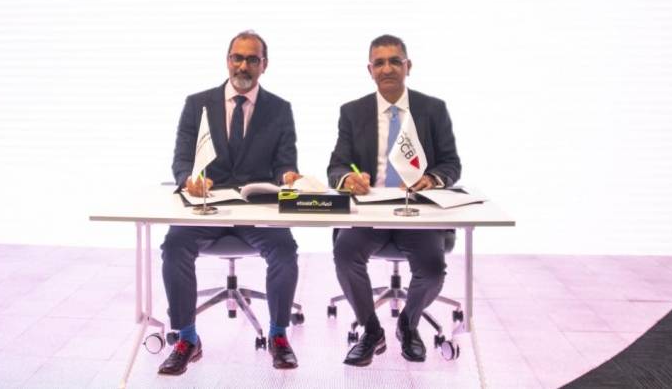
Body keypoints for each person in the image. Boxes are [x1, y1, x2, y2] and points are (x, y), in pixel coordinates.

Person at [158, 30, 301, 375]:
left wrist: (288, 176)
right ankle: (187, 338)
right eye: (237, 57)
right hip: (207, 204)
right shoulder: (197, 103)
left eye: (252, 59)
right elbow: (181, 158)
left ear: (264, 65)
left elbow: (284, 162)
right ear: (227, 60)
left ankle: (278, 335)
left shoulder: (279, 109)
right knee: (174, 246)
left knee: (285, 250)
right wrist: (188, 180)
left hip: (255, 209)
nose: (243, 65)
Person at [327, 34, 462, 366]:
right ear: (370, 70)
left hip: (415, 211)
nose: (387, 69)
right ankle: (372, 331)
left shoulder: (432, 109)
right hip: (370, 211)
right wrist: (347, 179)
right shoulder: (352, 112)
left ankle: (408, 324)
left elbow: (451, 164)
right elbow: (336, 166)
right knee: (345, 254)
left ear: (408, 66)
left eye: (394, 61)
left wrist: (433, 179)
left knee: (432, 270)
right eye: (379, 63)